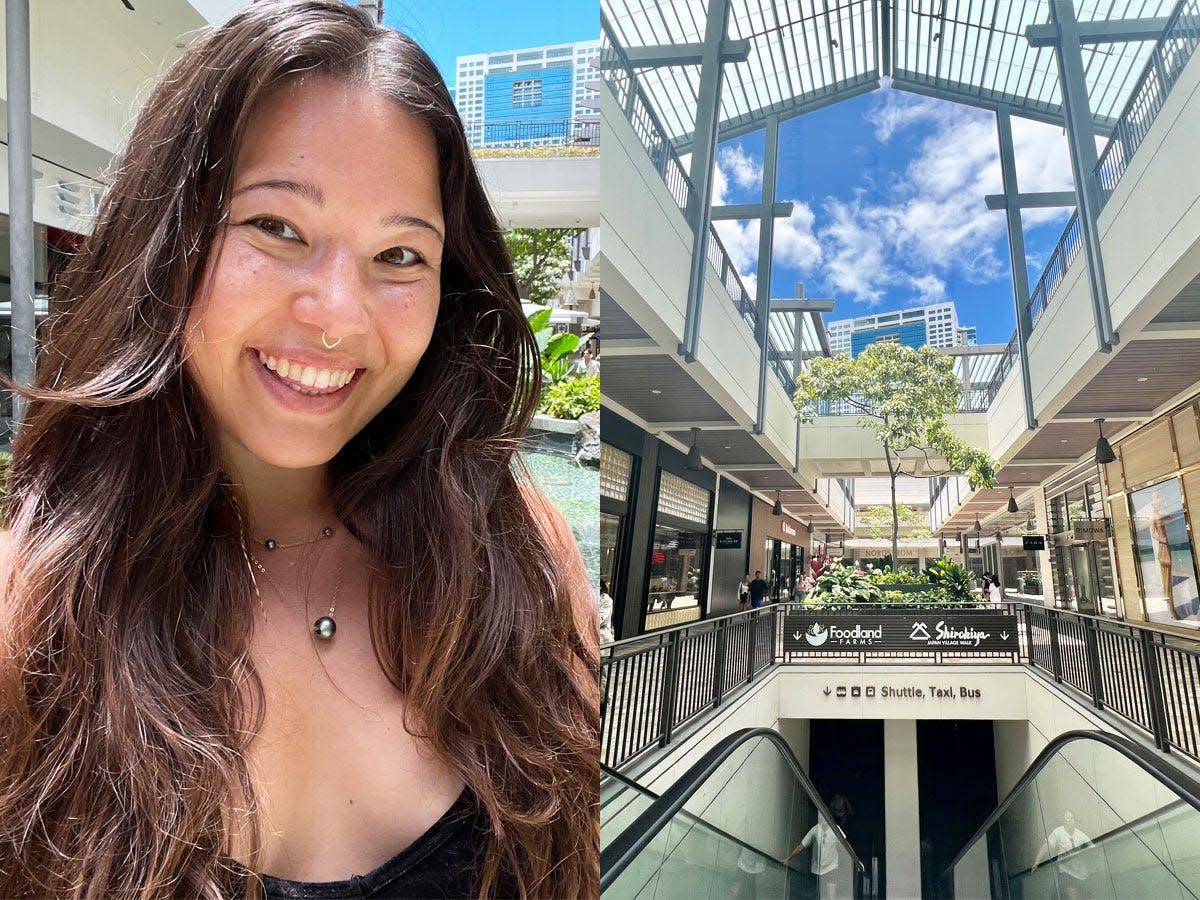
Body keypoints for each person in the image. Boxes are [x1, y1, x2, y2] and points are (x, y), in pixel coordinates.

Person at [0, 3, 597, 897]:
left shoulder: (516, 562)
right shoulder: (37, 615)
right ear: (168, 240)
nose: (338, 315)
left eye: (400, 254)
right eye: (277, 228)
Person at [1032, 811, 1093, 899]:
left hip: (1081, 872)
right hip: (1066, 871)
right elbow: (1046, 847)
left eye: (1071, 818)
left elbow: (1093, 848)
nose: (1069, 820)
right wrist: (1037, 861)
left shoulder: (1080, 834)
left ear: (1074, 820)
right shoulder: (1058, 832)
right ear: (1063, 821)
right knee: (1072, 896)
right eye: (1067, 818)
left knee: (1086, 895)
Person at [783, 813, 840, 900]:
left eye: (823, 815)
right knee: (817, 894)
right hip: (818, 869)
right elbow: (801, 846)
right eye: (819, 815)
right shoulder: (815, 830)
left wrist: (856, 862)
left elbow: (845, 844)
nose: (821, 818)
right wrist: (788, 858)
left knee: (831, 894)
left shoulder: (835, 828)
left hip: (831, 866)